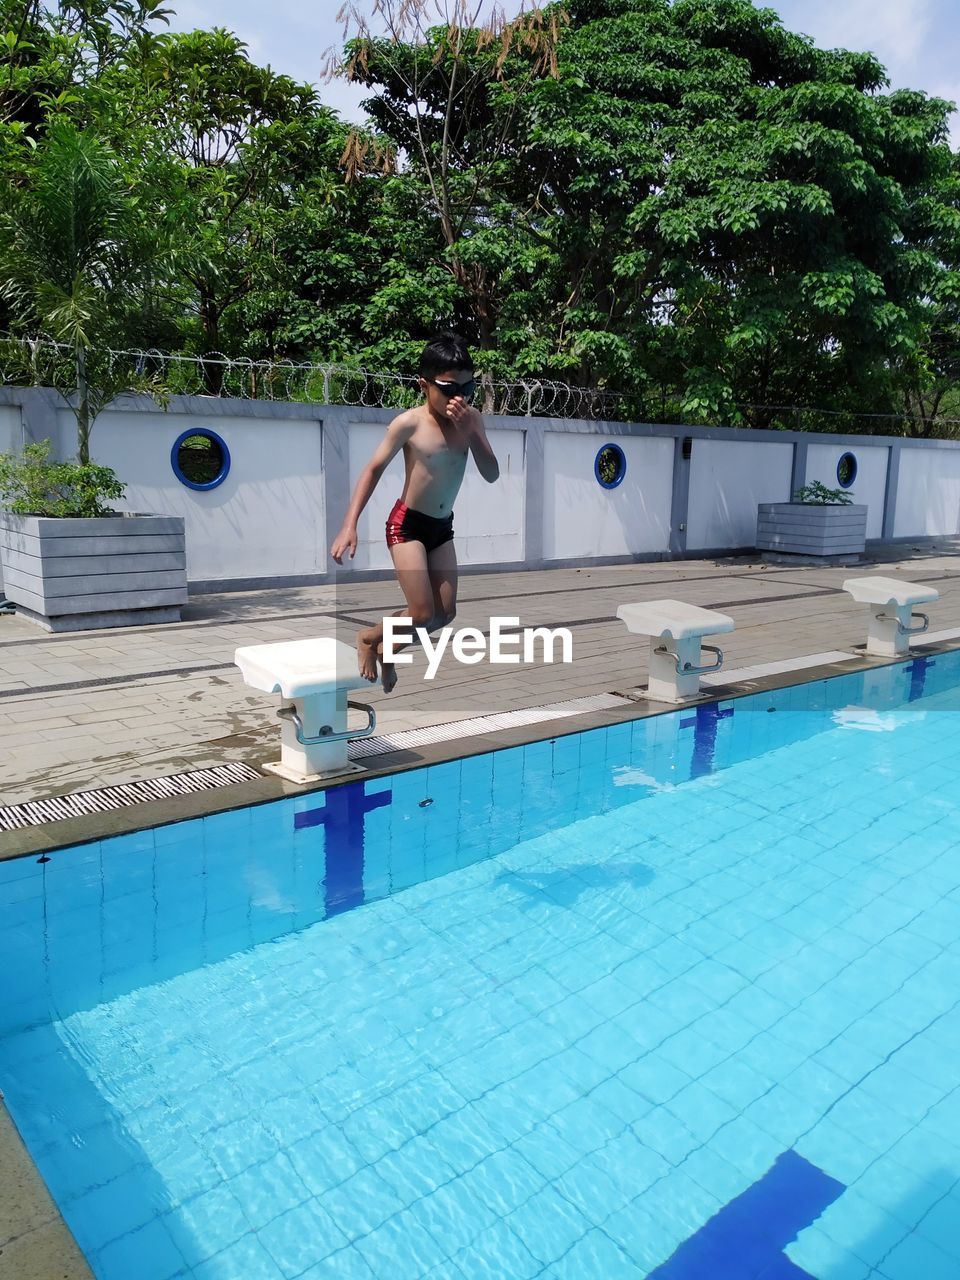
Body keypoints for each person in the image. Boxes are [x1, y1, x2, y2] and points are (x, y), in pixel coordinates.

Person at [330, 333, 500, 691]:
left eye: (467, 389)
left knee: (445, 614)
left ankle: (387, 651)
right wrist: (350, 525)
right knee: (422, 613)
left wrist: (472, 432)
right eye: (450, 389)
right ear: (424, 385)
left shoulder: (472, 421)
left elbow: (491, 473)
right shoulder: (409, 423)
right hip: (406, 525)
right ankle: (367, 638)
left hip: (441, 527)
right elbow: (373, 469)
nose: (460, 398)